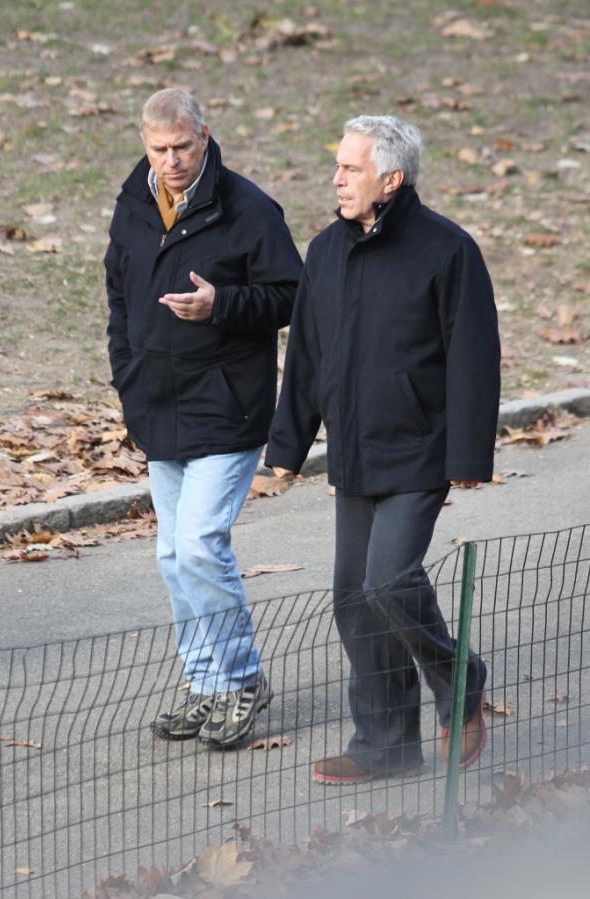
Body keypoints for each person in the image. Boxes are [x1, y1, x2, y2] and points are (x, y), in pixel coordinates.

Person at [265, 115, 501, 784]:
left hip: (420, 448)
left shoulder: (448, 250)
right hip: (354, 453)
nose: (337, 178)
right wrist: (286, 450)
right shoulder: (325, 251)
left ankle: (460, 679)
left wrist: (468, 457)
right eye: (337, 165)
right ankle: (386, 745)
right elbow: (306, 359)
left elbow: (473, 356)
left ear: (390, 179)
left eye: (351, 168)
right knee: (353, 597)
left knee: (389, 579)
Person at [105, 89, 302, 746]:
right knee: (170, 554)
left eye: (182, 147)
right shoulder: (134, 203)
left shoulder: (249, 208)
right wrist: (127, 376)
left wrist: (222, 304)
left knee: (198, 545)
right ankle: (206, 684)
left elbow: (292, 295)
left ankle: (242, 679)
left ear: (205, 135)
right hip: (158, 405)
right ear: (145, 142)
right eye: (159, 149)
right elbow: (117, 295)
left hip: (227, 407)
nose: (171, 161)